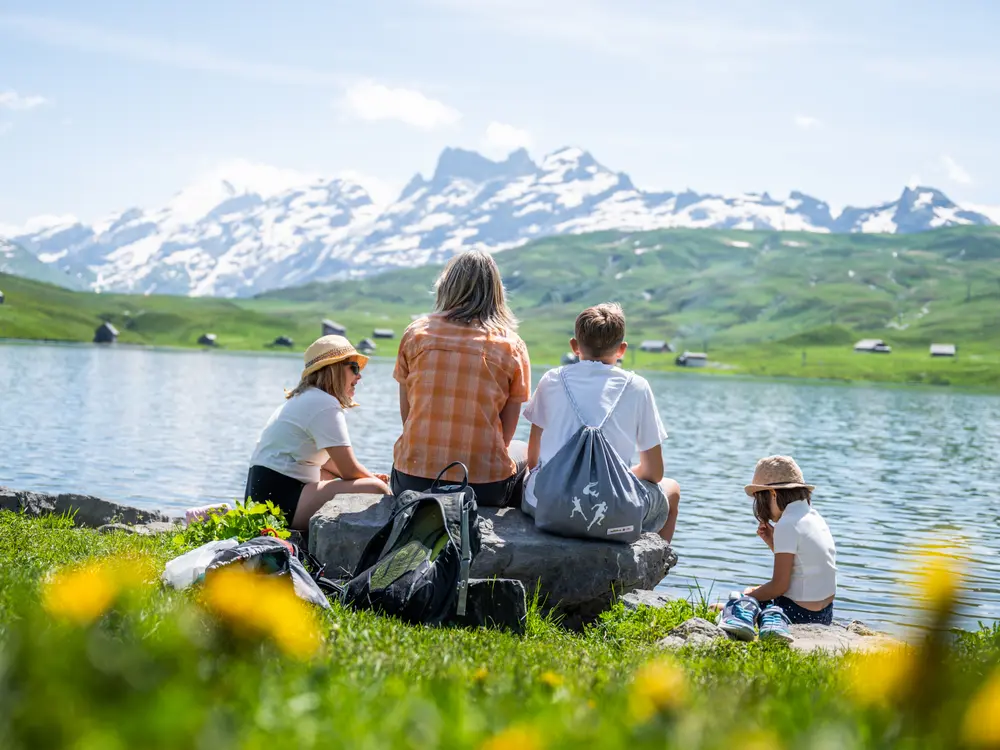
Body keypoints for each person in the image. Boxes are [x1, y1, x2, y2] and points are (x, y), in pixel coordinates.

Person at [521, 303, 681, 542]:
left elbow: (534, 459)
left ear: (574, 346)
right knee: (672, 490)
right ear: (622, 349)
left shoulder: (551, 379)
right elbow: (654, 473)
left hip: (547, 506)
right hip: (612, 512)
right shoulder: (638, 387)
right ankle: (651, 571)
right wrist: (620, 476)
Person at [391, 251, 531, 506]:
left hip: (411, 480)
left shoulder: (416, 334)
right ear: (496, 291)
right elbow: (506, 436)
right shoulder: (512, 346)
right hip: (482, 488)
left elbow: (407, 415)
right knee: (520, 449)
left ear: (447, 286)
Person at [245, 335, 389, 530]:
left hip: (262, 498)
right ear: (334, 369)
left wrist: (365, 475)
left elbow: (332, 464)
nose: (359, 376)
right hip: (280, 502)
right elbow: (348, 469)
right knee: (377, 490)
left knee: (334, 473)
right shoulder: (324, 403)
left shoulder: (305, 398)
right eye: (354, 368)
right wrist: (372, 481)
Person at [717, 455, 837, 643]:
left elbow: (779, 586)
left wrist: (747, 595)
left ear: (772, 494)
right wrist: (774, 543)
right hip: (824, 615)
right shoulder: (814, 517)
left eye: (759, 498)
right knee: (757, 592)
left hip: (798, 613)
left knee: (749, 596)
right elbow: (802, 567)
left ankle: (746, 614)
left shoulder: (787, 524)